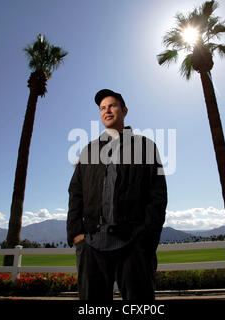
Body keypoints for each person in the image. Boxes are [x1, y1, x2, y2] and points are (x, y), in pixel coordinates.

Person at [67, 89, 167, 300]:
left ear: (124, 110)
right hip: (92, 244)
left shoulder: (145, 146)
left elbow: (158, 194)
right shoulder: (88, 150)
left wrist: (146, 237)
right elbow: (75, 192)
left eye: (112, 105)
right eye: (102, 108)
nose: (107, 110)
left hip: (133, 245)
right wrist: (77, 234)